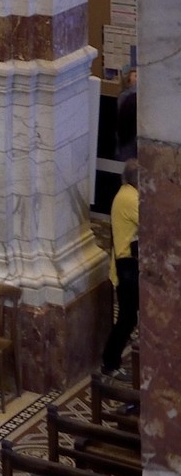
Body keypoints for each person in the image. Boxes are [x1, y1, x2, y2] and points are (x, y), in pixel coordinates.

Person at [103, 160, 139, 374]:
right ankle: (110, 361)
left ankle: (112, 359)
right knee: (127, 318)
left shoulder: (127, 193)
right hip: (127, 269)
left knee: (128, 317)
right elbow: (151, 221)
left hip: (129, 268)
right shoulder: (129, 198)